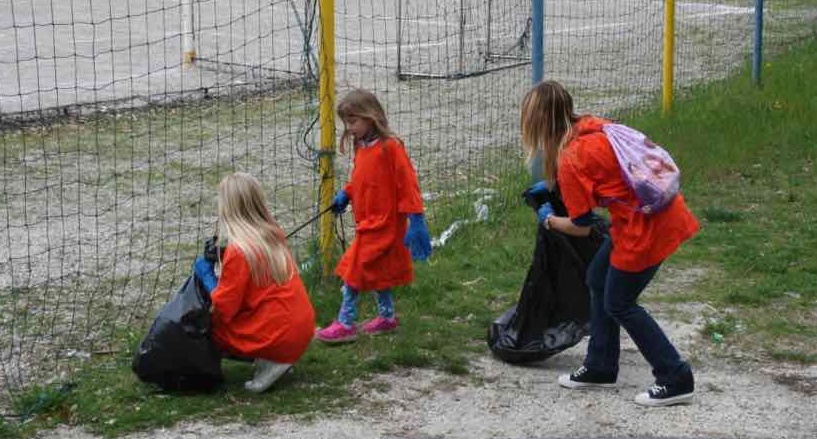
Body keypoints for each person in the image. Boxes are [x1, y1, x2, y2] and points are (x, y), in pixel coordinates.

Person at [519, 80, 700, 407]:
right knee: (598, 279)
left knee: (620, 302)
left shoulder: (570, 157)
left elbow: (581, 227)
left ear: (539, 122)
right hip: (657, 212)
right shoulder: (590, 127)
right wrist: (553, 188)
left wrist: (547, 217)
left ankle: (675, 376)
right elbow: (600, 175)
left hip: (646, 227)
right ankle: (600, 366)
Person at [315, 88, 432, 343]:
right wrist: (346, 193)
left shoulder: (391, 148)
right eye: (347, 122)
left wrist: (416, 219)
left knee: (354, 269)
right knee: (378, 270)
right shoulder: (362, 147)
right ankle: (387, 317)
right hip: (368, 221)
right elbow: (362, 178)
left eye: (353, 121)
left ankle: (345, 322)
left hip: (385, 223)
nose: (350, 127)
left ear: (371, 117)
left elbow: (407, 183)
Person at [193, 172, 316, 392]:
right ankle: (278, 356)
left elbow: (224, 308)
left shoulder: (239, 251)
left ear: (228, 209)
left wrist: (209, 278)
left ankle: (270, 359)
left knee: (208, 328)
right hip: (300, 329)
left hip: (277, 334)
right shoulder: (273, 236)